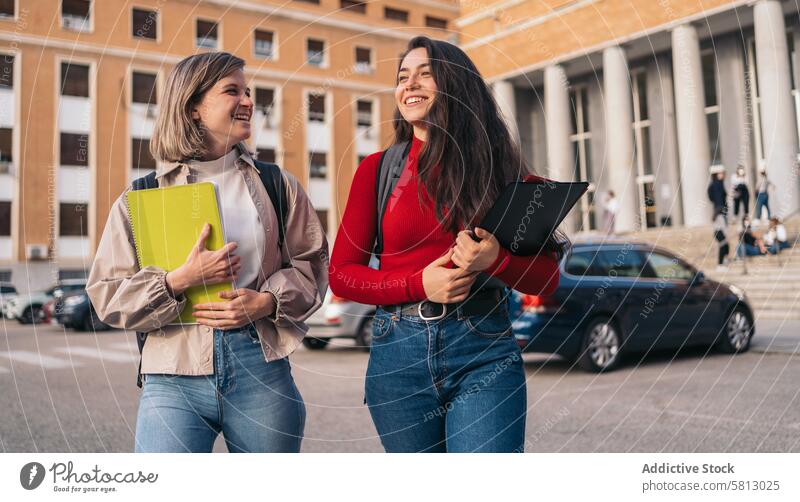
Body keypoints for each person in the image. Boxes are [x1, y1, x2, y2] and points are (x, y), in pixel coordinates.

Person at [329, 36, 565, 453]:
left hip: (483, 351)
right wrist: (419, 285)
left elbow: (546, 280)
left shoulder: (504, 170)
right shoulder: (376, 170)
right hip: (396, 356)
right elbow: (342, 275)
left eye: (426, 74)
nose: (410, 85)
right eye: (403, 77)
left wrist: (497, 259)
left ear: (457, 85)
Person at [87, 52, 328, 453]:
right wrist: (178, 280)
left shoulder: (277, 185)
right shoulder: (142, 195)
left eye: (248, 91)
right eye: (233, 90)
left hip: (260, 370)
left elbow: (314, 266)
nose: (248, 100)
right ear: (193, 107)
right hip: (172, 374)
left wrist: (267, 302)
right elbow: (105, 293)